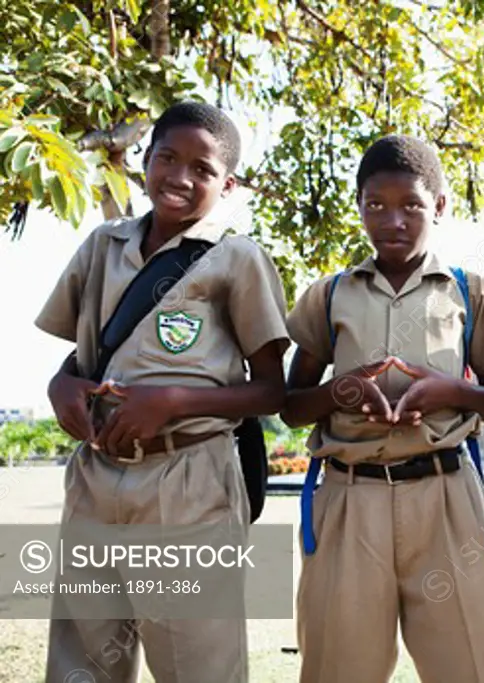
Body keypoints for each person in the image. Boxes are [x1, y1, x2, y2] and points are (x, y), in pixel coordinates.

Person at [36, 101, 290, 683]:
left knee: (197, 664)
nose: (179, 177)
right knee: (80, 661)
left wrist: (174, 403)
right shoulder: (103, 245)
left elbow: (272, 391)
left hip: (189, 482)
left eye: (202, 169)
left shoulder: (238, 258)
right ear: (144, 162)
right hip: (96, 478)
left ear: (226, 185)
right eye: (167, 158)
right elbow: (81, 356)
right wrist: (60, 386)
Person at [282, 134, 484, 683]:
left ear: (439, 205)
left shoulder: (468, 291)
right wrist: (342, 392)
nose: (394, 220)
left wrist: (449, 392)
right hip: (349, 497)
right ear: (360, 207)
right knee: (337, 666)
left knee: (475, 664)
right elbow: (291, 407)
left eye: (412, 205)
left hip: (446, 498)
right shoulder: (331, 293)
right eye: (377, 206)